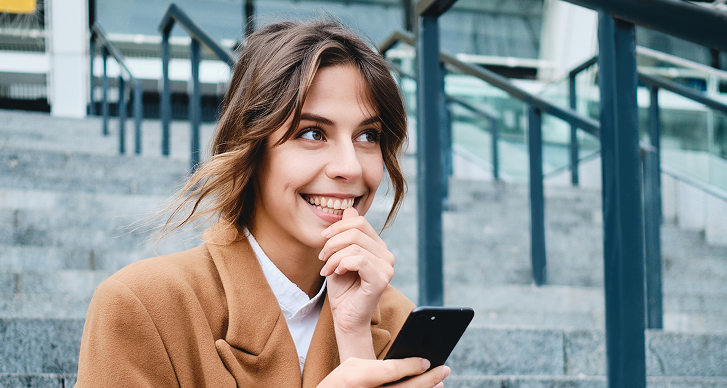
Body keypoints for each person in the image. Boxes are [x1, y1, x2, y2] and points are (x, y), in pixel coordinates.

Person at [75, 19, 451, 388]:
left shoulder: (399, 320)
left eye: (368, 135)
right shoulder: (143, 306)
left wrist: (355, 342)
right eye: (313, 133)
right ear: (251, 148)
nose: (350, 167)